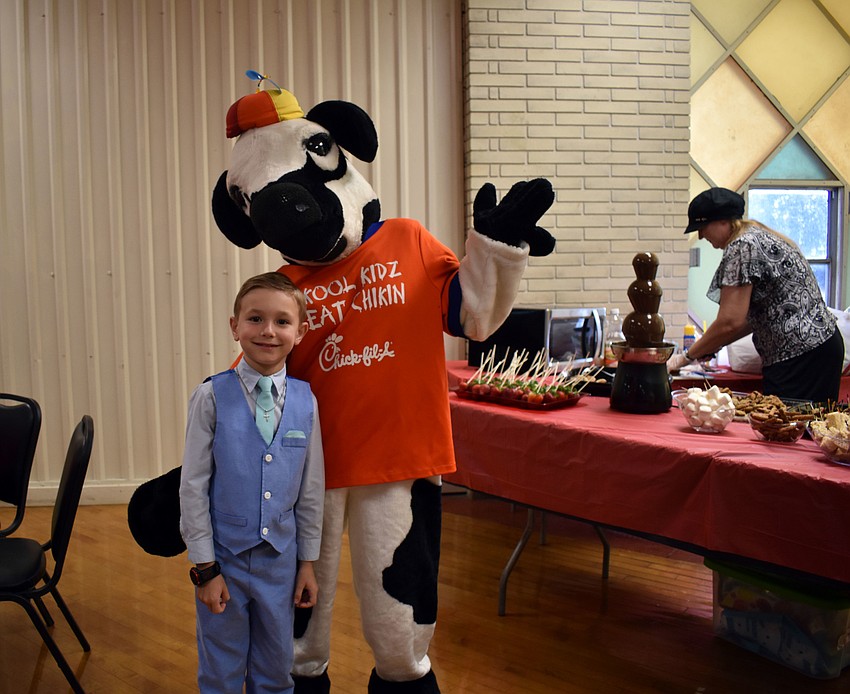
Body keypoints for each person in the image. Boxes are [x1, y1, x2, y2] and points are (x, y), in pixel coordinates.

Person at [179, 271, 325, 694]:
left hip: (280, 562)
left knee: (276, 669)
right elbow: (193, 487)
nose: (268, 331)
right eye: (255, 319)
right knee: (220, 670)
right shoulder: (210, 396)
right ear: (234, 326)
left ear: (300, 331)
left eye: (282, 321)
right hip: (223, 560)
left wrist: (308, 564)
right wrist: (205, 568)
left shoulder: (306, 400)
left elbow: (311, 490)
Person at [669, 186, 844, 402]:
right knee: (809, 429)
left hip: (798, 357)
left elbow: (729, 322)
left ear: (723, 221)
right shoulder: (759, 237)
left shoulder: (742, 247)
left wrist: (685, 357)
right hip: (822, 347)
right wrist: (711, 345)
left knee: (784, 428)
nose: (701, 235)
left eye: (703, 227)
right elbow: (749, 320)